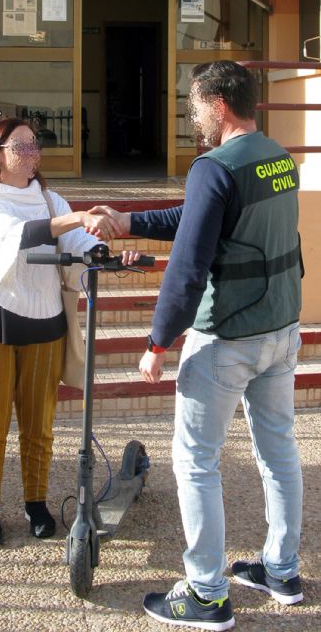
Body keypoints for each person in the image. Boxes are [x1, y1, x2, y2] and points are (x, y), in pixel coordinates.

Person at [88, 60, 304, 630]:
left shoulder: (214, 166)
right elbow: (203, 221)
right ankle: (282, 570)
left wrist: (157, 342)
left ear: (219, 105)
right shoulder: (279, 159)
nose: (192, 115)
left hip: (226, 339)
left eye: (195, 105)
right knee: (279, 453)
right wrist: (128, 220)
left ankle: (206, 594)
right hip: (280, 332)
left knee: (196, 463)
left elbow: (188, 267)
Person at [0, 117, 123, 547]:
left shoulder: (52, 200)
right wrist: (72, 220)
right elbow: (15, 238)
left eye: (36, 146)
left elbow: (79, 244)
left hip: (47, 322)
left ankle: (36, 503)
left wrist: (104, 250)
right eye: (22, 147)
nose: (33, 155)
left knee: (39, 426)